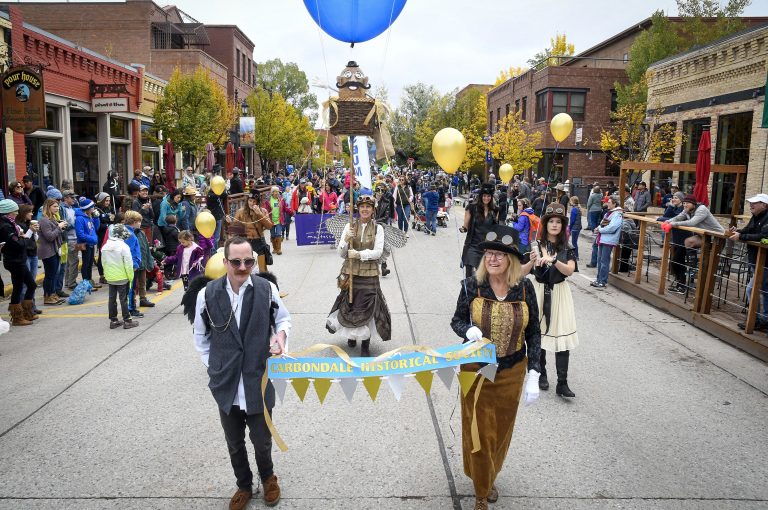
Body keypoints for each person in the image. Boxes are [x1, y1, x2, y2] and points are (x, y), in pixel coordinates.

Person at [191, 236, 289, 510]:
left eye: (248, 261)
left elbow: (283, 319)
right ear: (225, 262)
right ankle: (244, 485)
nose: (243, 267)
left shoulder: (266, 289)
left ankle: (268, 477)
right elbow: (201, 337)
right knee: (234, 442)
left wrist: (280, 337)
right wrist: (215, 368)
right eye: (236, 261)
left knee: (261, 439)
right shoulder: (206, 294)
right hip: (226, 384)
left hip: (258, 380)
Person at [449, 224, 541, 510]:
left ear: (511, 260)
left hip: (512, 371)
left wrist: (535, 372)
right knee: (479, 431)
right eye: (488, 253)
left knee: (500, 432)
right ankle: (480, 492)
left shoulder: (524, 288)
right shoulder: (471, 286)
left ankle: (489, 475)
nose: (492, 259)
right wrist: (468, 332)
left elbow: (534, 332)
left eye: (499, 255)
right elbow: (457, 321)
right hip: (477, 369)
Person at [326, 195, 390, 356]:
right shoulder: (349, 226)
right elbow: (341, 253)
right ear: (358, 209)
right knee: (350, 304)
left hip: (369, 274)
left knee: (367, 308)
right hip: (350, 273)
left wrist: (359, 254)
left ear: (373, 210)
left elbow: (378, 252)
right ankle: (352, 335)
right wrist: (346, 239)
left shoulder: (378, 229)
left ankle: (365, 345)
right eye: (362, 207)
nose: (365, 209)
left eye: (368, 207)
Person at [525, 203, 578, 397]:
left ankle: (562, 383)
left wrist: (555, 260)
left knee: (561, 334)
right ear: (545, 224)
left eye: (558, 222)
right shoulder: (535, 245)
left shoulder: (567, 246)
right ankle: (541, 374)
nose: (554, 225)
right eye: (551, 221)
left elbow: (570, 271)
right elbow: (522, 272)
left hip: (560, 292)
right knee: (539, 334)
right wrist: (531, 261)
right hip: (539, 290)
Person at [731, 194, 768, 331]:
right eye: (750, 203)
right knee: (763, 289)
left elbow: (763, 236)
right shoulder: (756, 217)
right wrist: (738, 231)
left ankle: (759, 319)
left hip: (764, 261)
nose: (751, 205)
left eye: (754, 203)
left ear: (764, 205)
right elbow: (748, 230)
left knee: (755, 289)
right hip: (756, 259)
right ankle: (761, 319)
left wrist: (742, 236)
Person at [0, 199, 37, 326]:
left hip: (19, 259)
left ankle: (26, 312)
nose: (16, 214)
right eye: (14, 211)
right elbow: (19, 244)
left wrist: (22, 237)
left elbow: (20, 242)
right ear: (7, 212)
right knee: (18, 287)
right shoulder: (5, 226)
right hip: (14, 260)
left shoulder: (11, 224)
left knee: (31, 285)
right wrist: (26, 236)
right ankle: (17, 316)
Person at [102, 224, 138, 330]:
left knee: (111, 299)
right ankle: (127, 320)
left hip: (111, 277)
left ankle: (113, 320)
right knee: (124, 299)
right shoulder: (124, 247)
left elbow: (103, 262)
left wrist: (107, 275)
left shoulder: (105, 247)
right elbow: (128, 264)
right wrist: (130, 277)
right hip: (122, 277)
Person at [229, 189, 273, 273]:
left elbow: (269, 226)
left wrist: (259, 213)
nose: (251, 203)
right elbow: (233, 229)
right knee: (246, 270)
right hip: (245, 243)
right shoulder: (240, 212)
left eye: (254, 201)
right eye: (250, 200)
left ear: (258, 202)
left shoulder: (263, 211)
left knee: (262, 271)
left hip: (259, 242)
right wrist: (229, 222)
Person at [461, 184, 497, 277]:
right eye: (484, 196)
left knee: (483, 276)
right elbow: (465, 226)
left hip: (487, 247)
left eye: (488, 196)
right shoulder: (472, 208)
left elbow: (496, 228)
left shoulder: (494, 210)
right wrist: (463, 228)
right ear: (481, 196)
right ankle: (468, 291)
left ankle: (479, 291)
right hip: (472, 245)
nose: (486, 198)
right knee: (469, 274)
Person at [38, 199, 67, 305]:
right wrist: (59, 228)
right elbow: (49, 236)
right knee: (50, 274)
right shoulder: (44, 220)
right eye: (54, 206)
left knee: (54, 273)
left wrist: (61, 227)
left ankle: (52, 293)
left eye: (57, 206)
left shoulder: (52, 218)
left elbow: (55, 233)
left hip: (54, 249)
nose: (57, 208)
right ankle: (47, 296)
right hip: (48, 251)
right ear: (48, 207)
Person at [591, 196, 623, 289]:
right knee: (600, 260)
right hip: (603, 238)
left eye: (609, 202)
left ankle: (603, 281)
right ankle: (598, 279)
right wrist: (598, 228)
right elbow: (603, 223)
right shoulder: (609, 213)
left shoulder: (617, 214)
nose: (607, 204)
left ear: (614, 204)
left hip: (608, 240)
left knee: (604, 261)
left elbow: (612, 227)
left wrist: (600, 229)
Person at [17, 204, 42, 314]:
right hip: (25, 255)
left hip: (33, 253)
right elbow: (23, 242)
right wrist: (31, 231)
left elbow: (35, 239)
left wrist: (35, 232)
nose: (32, 214)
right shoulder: (19, 225)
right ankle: (25, 308)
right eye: (30, 212)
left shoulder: (29, 223)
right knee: (25, 283)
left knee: (32, 282)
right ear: (23, 213)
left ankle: (32, 305)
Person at [75, 197, 102, 290]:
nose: (94, 209)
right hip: (85, 244)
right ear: (87, 208)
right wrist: (93, 239)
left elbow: (96, 228)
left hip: (91, 243)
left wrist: (96, 217)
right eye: (92, 207)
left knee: (90, 263)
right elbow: (80, 234)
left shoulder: (89, 216)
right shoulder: (80, 219)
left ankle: (90, 281)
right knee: (86, 264)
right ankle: (86, 283)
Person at [94, 192, 116, 285]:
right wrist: (108, 224)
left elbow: (113, 220)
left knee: (110, 255)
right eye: (106, 200)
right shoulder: (97, 210)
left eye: (109, 200)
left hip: (110, 234)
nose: (107, 202)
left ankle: (109, 273)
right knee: (102, 254)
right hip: (102, 235)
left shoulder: (110, 209)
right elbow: (98, 225)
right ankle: (102, 275)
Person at [265, 186, 290, 256]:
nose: (277, 193)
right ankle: (274, 248)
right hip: (271, 220)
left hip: (279, 220)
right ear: (272, 193)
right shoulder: (268, 201)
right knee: (272, 235)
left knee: (278, 234)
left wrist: (292, 212)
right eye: (275, 191)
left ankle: (279, 249)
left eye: (278, 191)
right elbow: (265, 210)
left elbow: (285, 208)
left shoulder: (281, 200)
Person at [206, 187, 228, 252]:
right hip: (212, 218)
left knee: (217, 237)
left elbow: (225, 194)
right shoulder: (211, 195)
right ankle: (212, 252)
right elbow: (223, 194)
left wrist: (222, 188)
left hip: (218, 217)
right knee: (213, 237)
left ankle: (214, 251)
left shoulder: (218, 194)